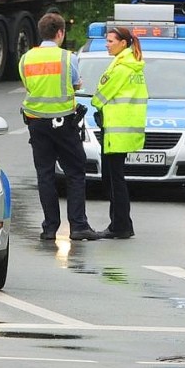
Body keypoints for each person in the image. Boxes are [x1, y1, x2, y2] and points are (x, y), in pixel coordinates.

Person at [19, 13, 100, 242]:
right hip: (64, 123)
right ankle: (78, 226)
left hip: (36, 123)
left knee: (45, 175)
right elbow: (75, 84)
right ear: (60, 33)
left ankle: (49, 228)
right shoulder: (67, 58)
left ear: (40, 31)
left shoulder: (26, 58)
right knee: (75, 172)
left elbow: (27, 85)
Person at [91, 25, 148, 239]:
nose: (107, 45)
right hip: (124, 129)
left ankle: (120, 226)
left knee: (114, 181)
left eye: (111, 41)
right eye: (106, 41)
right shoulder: (133, 65)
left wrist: (97, 103)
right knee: (116, 179)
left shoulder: (122, 68)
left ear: (123, 43)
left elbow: (100, 96)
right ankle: (122, 224)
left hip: (116, 130)